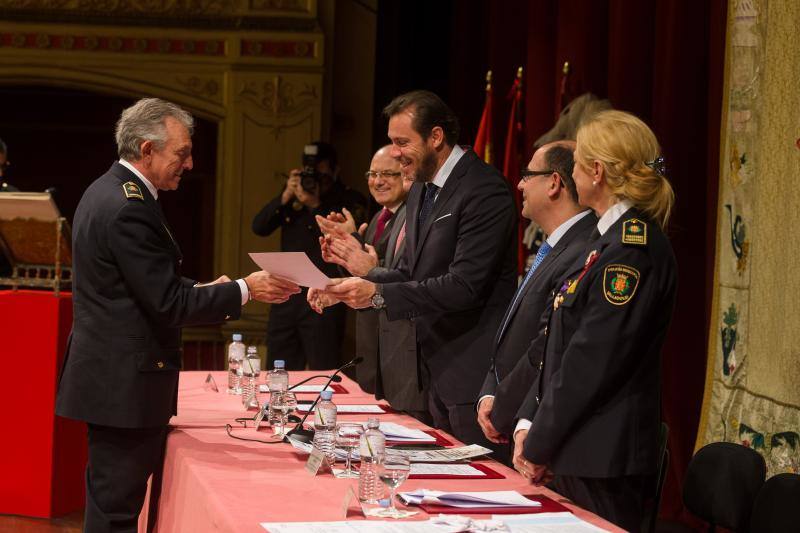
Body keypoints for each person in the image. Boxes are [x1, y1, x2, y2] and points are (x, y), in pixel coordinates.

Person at [55, 98, 300, 533]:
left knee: (112, 505)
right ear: (147, 150)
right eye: (182, 153)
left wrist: (206, 289)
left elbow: (139, 287)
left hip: (116, 379)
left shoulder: (108, 189)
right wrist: (246, 289)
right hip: (124, 386)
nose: (189, 164)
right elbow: (167, 303)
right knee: (115, 512)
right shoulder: (129, 206)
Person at [312, 90, 517, 445]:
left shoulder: (484, 190)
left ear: (436, 137)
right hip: (431, 375)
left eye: (402, 142)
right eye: (392, 142)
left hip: (472, 378)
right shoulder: (423, 189)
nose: (395, 152)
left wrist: (377, 294)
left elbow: (464, 285)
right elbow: (409, 275)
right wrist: (346, 290)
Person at [512, 110, 677, 532]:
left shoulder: (630, 249)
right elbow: (560, 347)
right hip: (582, 449)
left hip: (604, 457)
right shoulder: (608, 242)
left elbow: (591, 360)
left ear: (597, 172)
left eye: (579, 161)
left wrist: (540, 441)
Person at [475, 141, 596, 453]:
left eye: (527, 175)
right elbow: (513, 332)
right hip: (510, 417)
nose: (518, 184)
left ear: (554, 183)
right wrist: (490, 392)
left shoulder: (582, 250)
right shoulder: (554, 246)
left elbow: (543, 345)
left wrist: (503, 409)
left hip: (538, 428)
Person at [315, 146, 430, 422]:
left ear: (405, 175)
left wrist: (364, 264)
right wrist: (348, 248)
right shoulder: (380, 217)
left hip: (408, 357)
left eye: (387, 173)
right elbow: (370, 274)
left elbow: (406, 278)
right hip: (376, 351)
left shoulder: (416, 218)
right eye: (372, 173)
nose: (377, 181)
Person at [251, 142, 367, 370]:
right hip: (287, 296)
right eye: (309, 169)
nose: (313, 176)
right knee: (279, 368)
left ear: (335, 171)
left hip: (325, 296)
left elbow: (347, 240)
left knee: (323, 368)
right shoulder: (294, 198)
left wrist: (314, 205)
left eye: (321, 170)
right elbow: (259, 227)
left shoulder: (348, 200)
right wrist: (284, 196)